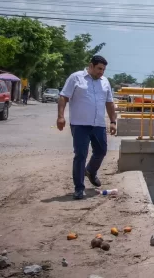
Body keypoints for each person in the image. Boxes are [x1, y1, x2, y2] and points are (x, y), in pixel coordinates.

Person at [56, 55, 117, 200]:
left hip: (99, 124)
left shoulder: (105, 82)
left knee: (101, 151)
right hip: (80, 124)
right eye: (99, 69)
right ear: (91, 66)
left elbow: (109, 103)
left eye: (103, 69)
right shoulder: (76, 78)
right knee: (81, 155)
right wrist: (60, 116)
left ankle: (90, 171)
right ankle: (79, 188)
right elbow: (64, 96)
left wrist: (113, 121)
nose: (101, 72)